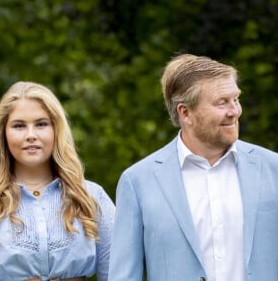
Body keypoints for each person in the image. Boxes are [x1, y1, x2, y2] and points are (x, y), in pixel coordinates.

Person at [108, 53, 278, 281]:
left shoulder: (273, 168)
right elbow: (124, 276)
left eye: (235, 99)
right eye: (222, 102)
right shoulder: (138, 181)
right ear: (185, 112)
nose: (235, 111)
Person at [0, 81, 115, 281]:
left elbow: (119, 273)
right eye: (19, 126)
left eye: (41, 124)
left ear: (55, 130)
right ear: (4, 133)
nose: (31, 135)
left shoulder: (92, 197)